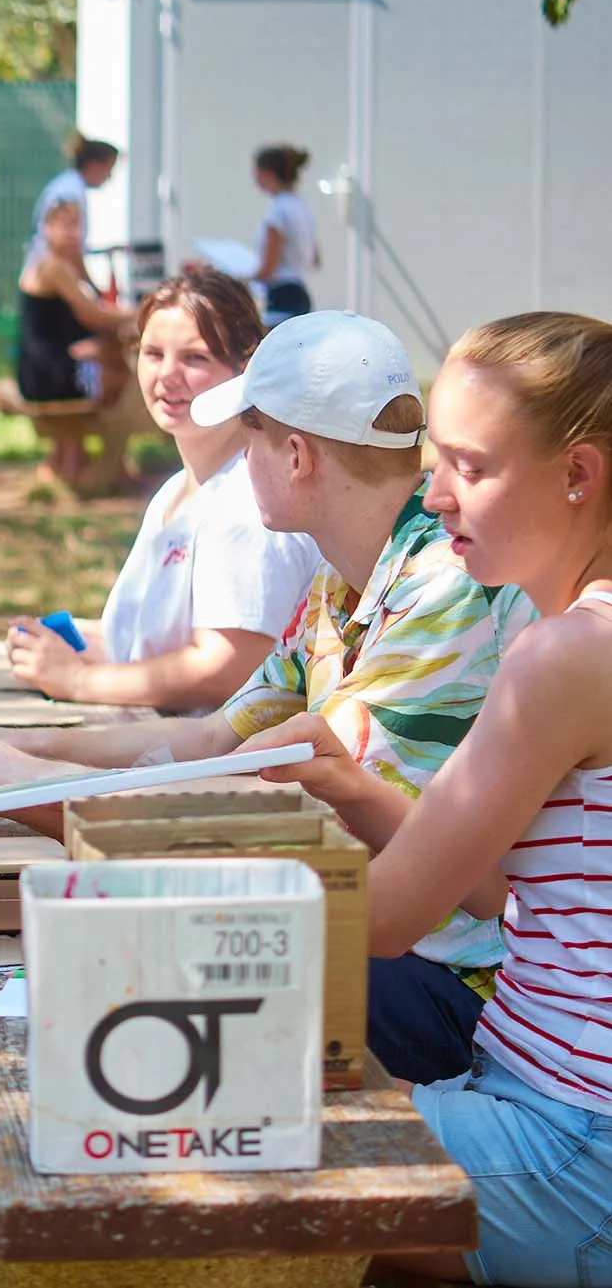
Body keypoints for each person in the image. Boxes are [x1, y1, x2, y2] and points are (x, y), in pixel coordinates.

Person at [0, 310, 537, 1085]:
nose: (241, 463)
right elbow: (212, 740)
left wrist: (26, 788)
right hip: (403, 963)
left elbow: (277, 819)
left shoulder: (443, 590)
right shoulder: (343, 580)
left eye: (249, 440)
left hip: (463, 1000)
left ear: (296, 454)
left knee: (122, 1019)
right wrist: (11, 750)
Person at [232, 312, 612, 1288]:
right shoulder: (570, 637)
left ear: (576, 475)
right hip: (544, 1109)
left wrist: (153, 927)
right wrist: (349, 785)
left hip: (569, 1146)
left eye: (468, 467)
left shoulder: (563, 655)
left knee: (202, 1159)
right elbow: (494, 896)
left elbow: (392, 917)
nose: (432, 495)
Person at [7, 269, 322, 713]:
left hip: (228, 772)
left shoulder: (250, 498)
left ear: (246, 369)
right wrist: (62, 645)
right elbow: (153, 647)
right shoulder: (177, 492)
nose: (167, 375)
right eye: (153, 354)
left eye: (195, 358)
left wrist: (78, 679)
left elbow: (226, 668)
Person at [15, 200, 139, 482]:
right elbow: (93, 315)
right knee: (122, 377)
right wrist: (143, 314)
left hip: (42, 367)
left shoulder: (66, 264)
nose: (73, 233)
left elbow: (96, 300)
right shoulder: (52, 267)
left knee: (109, 359)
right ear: (47, 229)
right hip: (47, 374)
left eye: (78, 225)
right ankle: (104, 463)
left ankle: (70, 457)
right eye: (65, 225)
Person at [27, 133, 120, 277]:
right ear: (94, 165)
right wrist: (93, 288)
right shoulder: (69, 193)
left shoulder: (70, 187)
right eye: (109, 169)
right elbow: (68, 247)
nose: (109, 177)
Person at [251, 144, 319, 326]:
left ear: (267, 174)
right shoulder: (302, 207)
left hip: (281, 296)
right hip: (300, 294)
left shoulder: (277, 211)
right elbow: (315, 259)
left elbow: (269, 269)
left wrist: (237, 278)